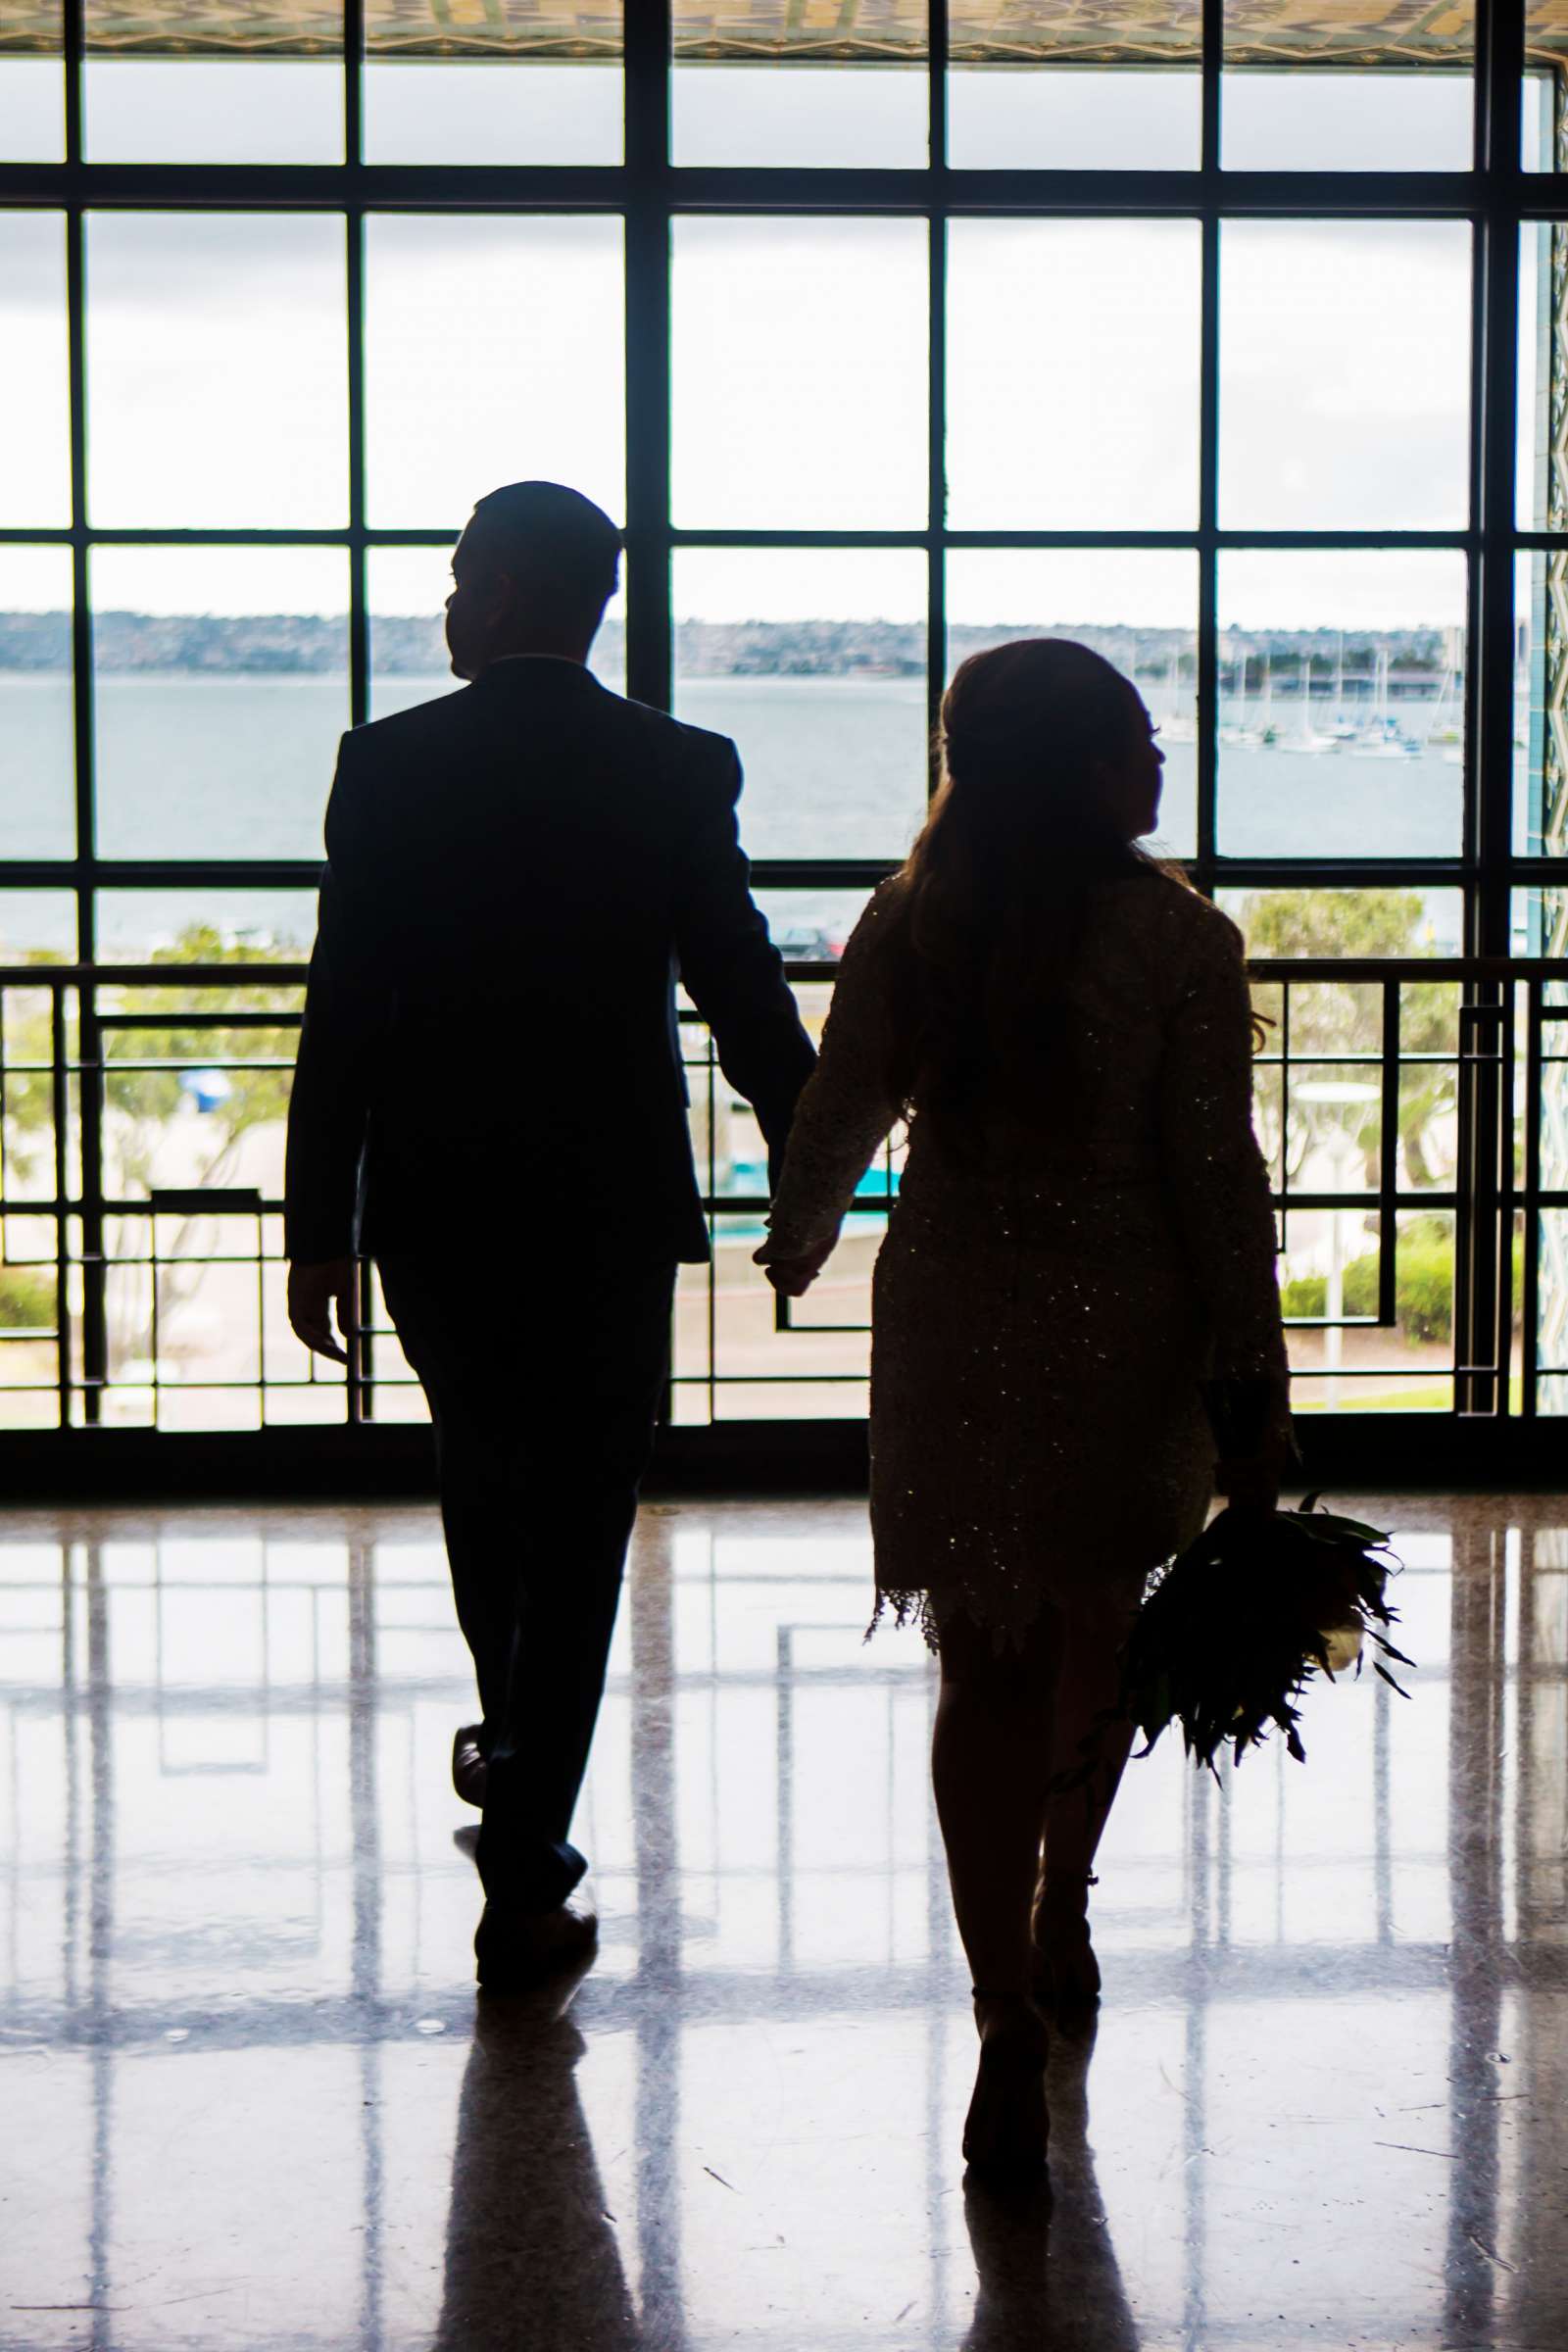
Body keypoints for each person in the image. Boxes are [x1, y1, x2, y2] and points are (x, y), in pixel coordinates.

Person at [757, 639, 1290, 2176]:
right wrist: (1249, 1375)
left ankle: (1000, 2006)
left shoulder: (917, 913)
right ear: (1079, 766)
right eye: (1137, 735)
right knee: (1099, 1623)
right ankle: (1065, 1904)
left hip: (955, 1311)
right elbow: (1212, 1174)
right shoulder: (1181, 943)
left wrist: (800, 1227)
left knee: (982, 1662)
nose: (1161, 759)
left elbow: (843, 1099)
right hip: (1127, 1321)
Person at [285, 480, 815, 1992]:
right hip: (607, 1197)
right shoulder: (673, 765)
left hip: (435, 1198)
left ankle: (511, 1749)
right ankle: (526, 1816)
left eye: (459, 577)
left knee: (482, 1475)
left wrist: (319, 1221)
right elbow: (739, 984)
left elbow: (347, 1009)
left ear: (511, 590)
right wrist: (812, 1161)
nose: (445, 604)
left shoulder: (385, 766)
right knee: (584, 1511)